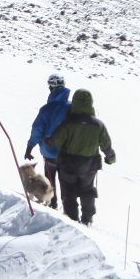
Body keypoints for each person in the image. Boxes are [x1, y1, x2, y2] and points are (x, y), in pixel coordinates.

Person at [46, 89, 116, 225]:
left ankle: (72, 221)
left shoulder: (68, 123)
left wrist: (47, 139)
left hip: (68, 164)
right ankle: (87, 219)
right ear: (90, 103)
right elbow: (106, 146)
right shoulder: (98, 125)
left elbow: (55, 140)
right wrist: (110, 158)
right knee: (87, 190)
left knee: (69, 192)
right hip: (89, 166)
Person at [23, 73, 72, 209]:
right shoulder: (72, 107)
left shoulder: (46, 109)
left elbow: (37, 130)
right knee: (66, 182)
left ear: (52, 88)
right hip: (68, 154)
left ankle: (53, 204)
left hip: (49, 153)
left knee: (50, 181)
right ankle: (69, 212)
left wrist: (29, 147)